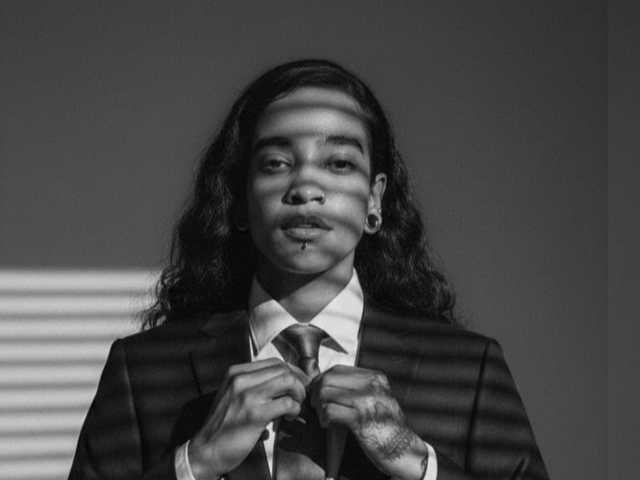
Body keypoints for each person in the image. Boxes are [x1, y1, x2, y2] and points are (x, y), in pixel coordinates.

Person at [68, 59, 550, 480]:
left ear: (374, 200)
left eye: (338, 163)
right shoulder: (140, 372)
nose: (305, 187)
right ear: (240, 199)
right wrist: (195, 462)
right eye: (277, 163)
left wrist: (417, 463)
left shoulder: (470, 371)